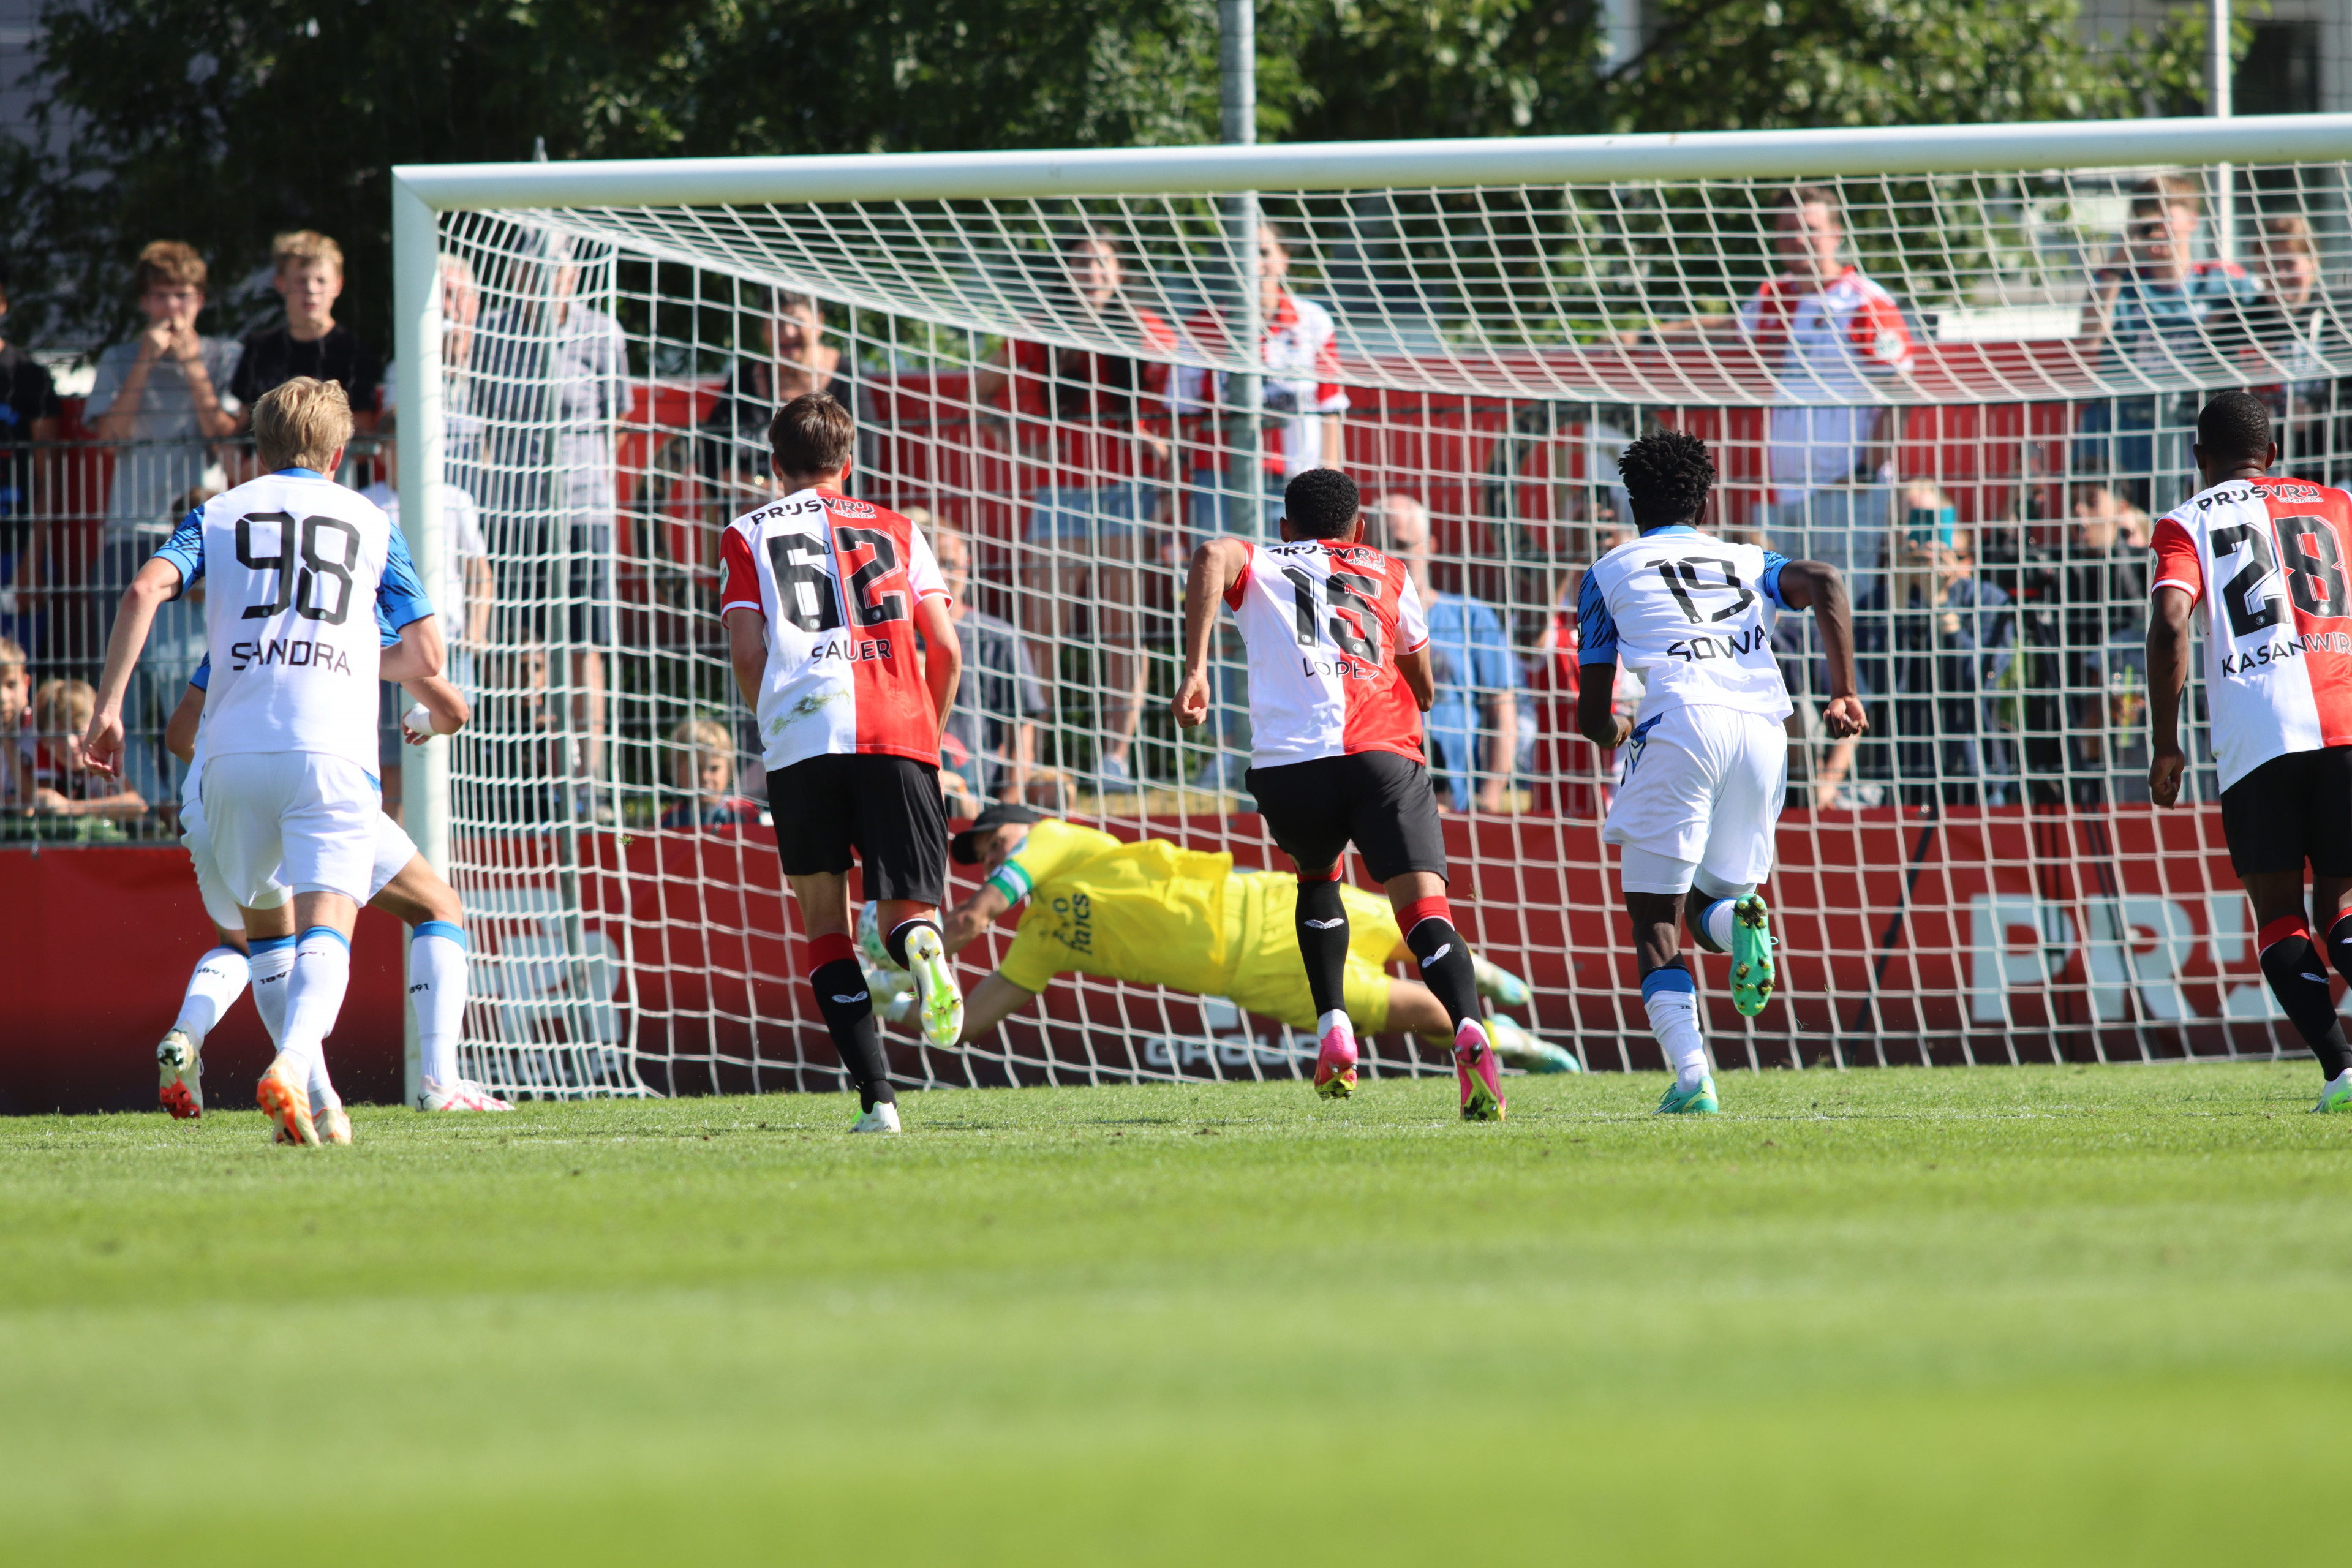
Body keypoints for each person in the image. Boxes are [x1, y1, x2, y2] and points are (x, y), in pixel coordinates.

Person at [84, 377, 443, 1147]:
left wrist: (109, 707)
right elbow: (424, 651)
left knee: (266, 940)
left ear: (258, 449)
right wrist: (346, 651)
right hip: (332, 749)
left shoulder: (217, 512)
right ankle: (294, 1062)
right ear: (341, 453)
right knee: (329, 929)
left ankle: (318, 1108)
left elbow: (146, 587)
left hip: (230, 760)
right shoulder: (373, 522)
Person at [1175, 466, 1509, 1121]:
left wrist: (1195, 669)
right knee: (1424, 915)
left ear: (1284, 528)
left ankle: (1334, 1027)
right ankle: (1469, 1029)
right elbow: (1419, 668)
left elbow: (1213, 554)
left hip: (1291, 767)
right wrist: (1424, 695)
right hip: (1382, 756)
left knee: (1317, 880)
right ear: (1358, 528)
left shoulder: (1264, 561)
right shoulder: (1387, 568)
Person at [1575, 428, 1864, 1115]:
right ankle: (1743, 925)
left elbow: (1591, 715)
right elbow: (1824, 581)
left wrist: (1617, 728)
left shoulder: (1608, 570)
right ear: (1706, 500)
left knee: (1656, 923)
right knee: (1711, 906)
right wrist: (1845, 690)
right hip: (1765, 731)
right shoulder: (1745, 557)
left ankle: (1691, 1077)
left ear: (1631, 502)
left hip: (1679, 723)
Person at [870, 804, 1572, 1074]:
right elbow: (965, 1025)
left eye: (995, 844)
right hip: (1253, 974)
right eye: (987, 855)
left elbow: (968, 921)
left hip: (1261, 900)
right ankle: (1509, 1039)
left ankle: (1481, 977)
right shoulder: (1044, 939)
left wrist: (891, 949)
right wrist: (893, 1003)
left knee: (1418, 924)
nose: (994, 859)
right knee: (1418, 1013)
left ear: (1022, 826)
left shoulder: (1054, 839)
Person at [715, 393, 963, 1133]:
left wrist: (774, 729)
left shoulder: (744, 533)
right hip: (901, 730)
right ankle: (923, 946)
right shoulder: (900, 527)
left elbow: (749, 651)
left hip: (803, 737)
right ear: (847, 465)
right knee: (905, 912)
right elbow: (946, 651)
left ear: (774, 467)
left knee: (825, 924)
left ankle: (878, 1101)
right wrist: (928, 738)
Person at [153, 655, 510, 1123]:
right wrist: (424, 718)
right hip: (318, 778)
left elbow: (180, 734)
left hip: (218, 789)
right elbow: (451, 705)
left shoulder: (237, 611)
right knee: (433, 906)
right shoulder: (350, 598)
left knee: (252, 945)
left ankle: (202, 1039)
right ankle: (437, 1080)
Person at [2146, 390, 2352, 1115]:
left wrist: (2165, 743)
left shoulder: (2186, 520)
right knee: (2345, 903)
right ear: (2272, 454)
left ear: (2199, 459)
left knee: (2277, 908)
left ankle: (2341, 1072)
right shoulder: (2336, 504)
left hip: (2259, 732)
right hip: (2346, 715)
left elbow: (2173, 622)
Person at [974, 231, 1178, 793]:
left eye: (1101, 262)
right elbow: (979, 388)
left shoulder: (1144, 328)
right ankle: (1028, 760)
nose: (1090, 272)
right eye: (1080, 262)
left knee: (1122, 633)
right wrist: (1025, 445)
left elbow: (1178, 398)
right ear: (1065, 273)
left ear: (1120, 272)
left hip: (1126, 492)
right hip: (1060, 496)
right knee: (1042, 634)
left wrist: (1153, 441)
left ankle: (1114, 761)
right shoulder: (1040, 328)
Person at [1632, 188, 1915, 583]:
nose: (1797, 238)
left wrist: (1866, 471)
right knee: (1782, 610)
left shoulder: (1863, 302)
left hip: (1844, 491)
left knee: (1842, 602)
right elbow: (1729, 329)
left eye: (1810, 229)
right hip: (1783, 489)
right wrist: (1647, 336)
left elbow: (1900, 392)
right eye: (1786, 229)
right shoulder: (1775, 296)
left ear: (1836, 233)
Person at [1171, 222, 1351, 793]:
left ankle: (1308, 740)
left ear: (1283, 260)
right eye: (1239, 255)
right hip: (1220, 488)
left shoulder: (1313, 321)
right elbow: (1181, 422)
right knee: (1225, 623)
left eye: (1263, 252)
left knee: (1302, 623)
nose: (1253, 264)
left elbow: (1331, 412)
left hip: (1296, 497)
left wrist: (1334, 499)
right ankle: (1224, 753)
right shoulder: (1201, 328)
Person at [477, 235, 626, 819]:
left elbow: (616, 418)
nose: (543, 278)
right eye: (530, 267)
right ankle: (535, 782)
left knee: (586, 645)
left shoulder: (602, 333)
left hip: (584, 510)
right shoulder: (492, 332)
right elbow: (483, 417)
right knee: (521, 648)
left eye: (555, 269)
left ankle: (591, 783)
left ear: (572, 276)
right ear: (514, 273)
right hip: (516, 513)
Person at [2076, 176, 2256, 510]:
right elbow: (2088, 341)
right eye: (2144, 219)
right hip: (2130, 434)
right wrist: (2118, 261)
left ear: (2192, 221)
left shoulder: (2222, 280)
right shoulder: (2120, 284)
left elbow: (2271, 319)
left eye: (2162, 216)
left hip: (2200, 434)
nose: (2155, 229)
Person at [1369, 493, 1521, 813]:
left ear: (1430, 547)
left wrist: (1490, 797)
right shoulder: (1356, 624)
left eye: (1402, 544)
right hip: (1381, 796)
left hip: (1461, 801)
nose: (1391, 558)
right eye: (1380, 547)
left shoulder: (1472, 617)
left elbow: (1503, 711)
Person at [1863, 522, 2015, 808]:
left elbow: (1979, 680)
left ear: (1967, 563)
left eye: (1943, 554)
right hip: (1900, 773)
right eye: (1919, 554)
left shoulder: (1989, 600)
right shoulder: (1875, 603)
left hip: (1975, 771)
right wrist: (1898, 597)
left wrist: (1940, 603)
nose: (1929, 560)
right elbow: (1877, 685)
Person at [927, 521, 1058, 815]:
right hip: (914, 787)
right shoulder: (894, 638)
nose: (943, 575)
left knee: (1057, 790)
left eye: (950, 563)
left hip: (980, 795)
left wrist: (1007, 806)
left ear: (968, 565)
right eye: (934, 565)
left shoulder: (999, 638)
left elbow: (1022, 731)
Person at [698, 288, 862, 517]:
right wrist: (764, 489)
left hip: (830, 517)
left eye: (797, 322)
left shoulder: (847, 378)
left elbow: (865, 467)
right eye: (776, 323)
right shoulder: (742, 382)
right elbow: (712, 465)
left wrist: (795, 500)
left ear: (819, 322)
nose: (787, 332)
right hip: (749, 515)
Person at [360, 412, 492, 694]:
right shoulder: (365, 503)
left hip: (450, 640)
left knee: (453, 723)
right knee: (391, 730)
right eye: (399, 444)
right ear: (382, 451)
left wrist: (476, 631)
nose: (409, 454)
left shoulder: (455, 500)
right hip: (385, 644)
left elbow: (478, 571)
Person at [227, 231, 383, 453]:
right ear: (281, 284)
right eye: (301, 280)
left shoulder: (355, 352)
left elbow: (362, 443)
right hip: (265, 476)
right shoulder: (259, 347)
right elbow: (242, 427)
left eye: (321, 281)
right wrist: (241, 467)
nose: (311, 290)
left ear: (338, 285)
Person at [0, 260, 61, 647]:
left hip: (15, 551)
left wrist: (32, 560)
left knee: (13, 681)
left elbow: (51, 476)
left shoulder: (28, 376)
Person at [28, 677, 146, 822]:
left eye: (78, 731)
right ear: (45, 741)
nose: (70, 743)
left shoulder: (113, 751)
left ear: (98, 727)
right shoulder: (43, 755)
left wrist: (70, 807)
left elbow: (139, 803)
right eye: (57, 735)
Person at [659, 717, 762, 829]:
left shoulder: (746, 814)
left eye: (714, 768)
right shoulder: (668, 822)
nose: (705, 777)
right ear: (674, 771)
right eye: (695, 769)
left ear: (729, 770)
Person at [0, 633, 28, 813]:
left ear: (26, 684)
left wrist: (7, 740)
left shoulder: (44, 731)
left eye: (11, 685)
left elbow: (36, 800)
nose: (3, 698)